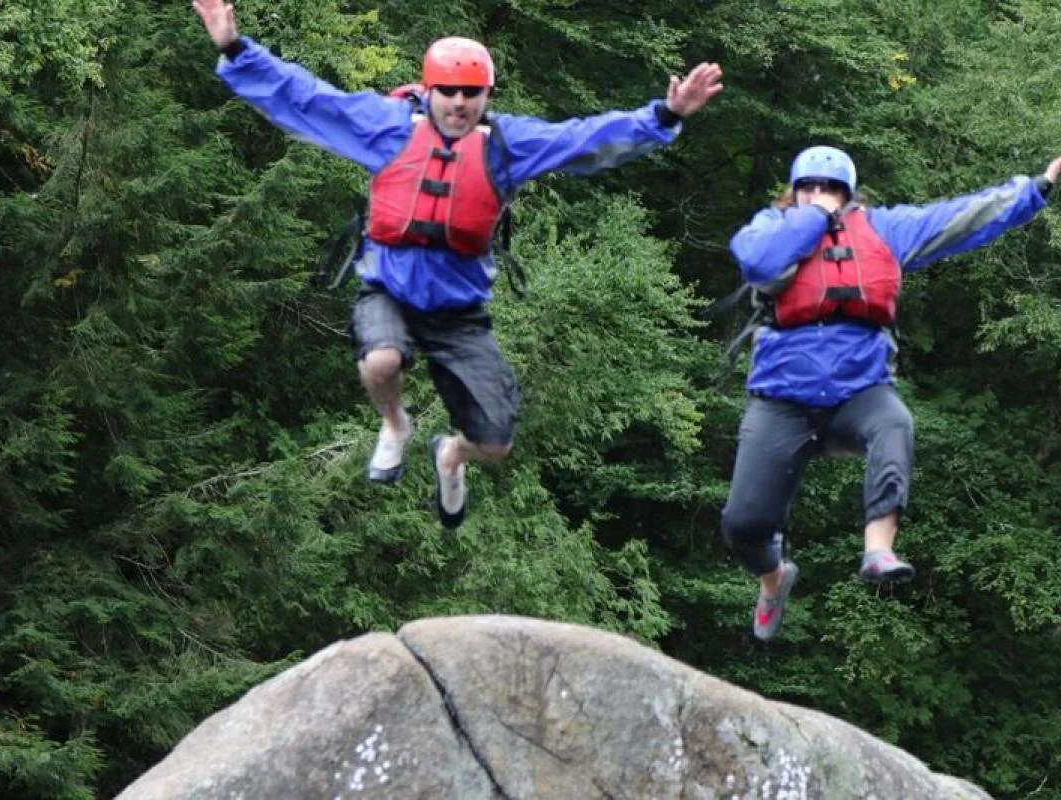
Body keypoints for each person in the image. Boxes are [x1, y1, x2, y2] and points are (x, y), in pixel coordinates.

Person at [191, 0, 723, 528]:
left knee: (494, 441)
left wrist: (665, 115)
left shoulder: (506, 146)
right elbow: (307, 97)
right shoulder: (389, 126)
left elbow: (583, 137)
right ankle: (395, 426)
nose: (460, 103)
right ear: (428, 90)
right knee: (380, 361)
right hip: (390, 288)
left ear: (488, 95)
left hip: (459, 309)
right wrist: (234, 47)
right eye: (449, 91)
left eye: (472, 92)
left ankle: (451, 456)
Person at [723, 144, 1061, 641]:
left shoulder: (883, 230)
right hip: (783, 398)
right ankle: (774, 580)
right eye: (809, 188)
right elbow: (757, 261)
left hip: (857, 393)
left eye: (831, 189)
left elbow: (957, 219)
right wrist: (811, 221)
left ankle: (878, 548)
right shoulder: (772, 230)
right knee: (743, 525)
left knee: (895, 423)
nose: (820, 195)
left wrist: (1030, 192)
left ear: (849, 194)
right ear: (793, 193)